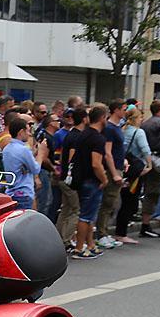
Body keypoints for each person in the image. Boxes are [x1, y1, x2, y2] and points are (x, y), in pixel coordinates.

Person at [71, 104, 109, 259]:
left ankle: (90, 244)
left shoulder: (83, 134)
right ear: (101, 118)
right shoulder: (98, 138)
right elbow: (96, 163)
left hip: (81, 178)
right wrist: (104, 178)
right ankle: (79, 248)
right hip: (91, 181)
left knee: (90, 215)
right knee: (86, 216)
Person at [114, 106, 152, 244]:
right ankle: (121, 233)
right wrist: (149, 165)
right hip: (136, 170)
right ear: (136, 118)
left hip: (124, 168)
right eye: (140, 117)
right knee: (130, 201)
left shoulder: (122, 130)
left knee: (124, 200)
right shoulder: (139, 132)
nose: (142, 119)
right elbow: (145, 149)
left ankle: (120, 230)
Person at [96, 100, 127, 249]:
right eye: (123, 109)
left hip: (119, 166)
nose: (125, 112)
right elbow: (107, 153)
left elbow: (117, 149)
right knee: (108, 202)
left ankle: (105, 232)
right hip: (112, 169)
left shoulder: (117, 127)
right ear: (116, 110)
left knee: (112, 203)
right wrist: (114, 173)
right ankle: (101, 234)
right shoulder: (109, 128)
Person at [3, 116, 48, 210]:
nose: (29, 134)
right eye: (27, 131)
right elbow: (36, 169)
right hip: (23, 193)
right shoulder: (23, 149)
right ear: (21, 132)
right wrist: (41, 153)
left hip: (11, 192)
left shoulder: (7, 148)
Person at [56, 107, 87, 248]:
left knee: (65, 209)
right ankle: (66, 240)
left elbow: (63, 156)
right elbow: (71, 159)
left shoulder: (69, 134)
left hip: (63, 178)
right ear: (84, 119)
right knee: (75, 210)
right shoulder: (77, 137)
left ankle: (57, 237)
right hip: (71, 180)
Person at [140, 99, 160, 238]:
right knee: (153, 192)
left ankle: (146, 223)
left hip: (146, 159)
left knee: (148, 190)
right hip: (157, 160)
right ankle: (145, 225)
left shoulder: (145, 123)